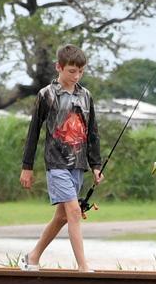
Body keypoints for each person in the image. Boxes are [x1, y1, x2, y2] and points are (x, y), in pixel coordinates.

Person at [18, 44, 104, 272]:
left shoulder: (86, 96)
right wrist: (27, 166)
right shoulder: (46, 95)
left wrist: (96, 165)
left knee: (62, 217)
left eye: (81, 72)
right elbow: (34, 131)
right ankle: (83, 267)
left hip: (78, 165)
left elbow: (92, 132)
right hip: (56, 164)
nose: (76, 76)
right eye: (71, 71)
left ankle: (32, 256)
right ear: (59, 67)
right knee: (75, 212)